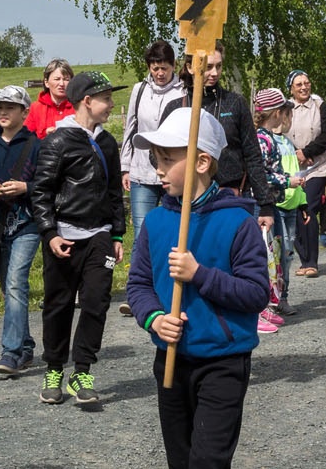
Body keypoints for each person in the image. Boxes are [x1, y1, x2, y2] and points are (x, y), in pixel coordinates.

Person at [124, 107, 270, 469]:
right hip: (171, 362)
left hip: (224, 363)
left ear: (203, 161)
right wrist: (154, 319)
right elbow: (137, 285)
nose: (157, 168)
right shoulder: (159, 221)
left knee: (208, 465)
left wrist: (199, 274)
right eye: (155, 158)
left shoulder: (239, 222)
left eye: (168, 158)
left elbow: (257, 294)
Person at [30, 70, 127, 407]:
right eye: (107, 98)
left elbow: (115, 191)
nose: (112, 105)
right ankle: (54, 368)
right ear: (87, 101)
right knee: (58, 305)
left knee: (97, 302)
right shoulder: (56, 141)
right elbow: (40, 192)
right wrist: (50, 234)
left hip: (99, 236)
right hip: (63, 239)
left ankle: (82, 371)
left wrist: (117, 233)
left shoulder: (107, 143)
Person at [0, 85, 42, 378]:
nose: (2, 112)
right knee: (7, 287)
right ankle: (25, 346)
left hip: (27, 224)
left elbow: (48, 186)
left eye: (9, 107)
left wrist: (26, 187)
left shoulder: (37, 145)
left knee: (15, 283)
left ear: (24, 112)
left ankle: (10, 352)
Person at [162, 45, 279, 215]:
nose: (215, 73)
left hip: (231, 198)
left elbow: (252, 155)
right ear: (190, 67)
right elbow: (156, 155)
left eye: (219, 66)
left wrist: (266, 205)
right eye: (208, 67)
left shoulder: (235, 103)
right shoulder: (175, 108)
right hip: (186, 200)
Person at [121, 39, 185, 265]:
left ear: (173, 66)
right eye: (155, 68)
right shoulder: (139, 90)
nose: (160, 73)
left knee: (175, 230)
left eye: (164, 68)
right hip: (142, 172)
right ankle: (137, 289)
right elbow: (131, 127)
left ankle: (168, 285)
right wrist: (125, 168)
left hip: (173, 173)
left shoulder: (183, 91)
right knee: (141, 232)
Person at [252, 87, 305, 328]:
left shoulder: (268, 138)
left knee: (273, 253)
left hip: (273, 200)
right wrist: (287, 180)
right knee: (266, 254)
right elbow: (261, 175)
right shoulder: (262, 140)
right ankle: (262, 304)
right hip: (263, 204)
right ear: (275, 113)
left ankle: (271, 301)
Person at [284, 70, 326, 277]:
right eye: (299, 84)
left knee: (309, 208)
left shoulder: (319, 105)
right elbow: (280, 132)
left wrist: (308, 152)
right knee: (294, 210)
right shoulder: (285, 108)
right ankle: (303, 258)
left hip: (316, 167)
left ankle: (312, 261)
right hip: (293, 166)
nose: (304, 87)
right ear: (291, 88)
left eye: (307, 83)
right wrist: (297, 154)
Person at [26, 58, 75, 139]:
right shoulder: (35, 108)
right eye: (57, 79)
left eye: (66, 79)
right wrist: (44, 134)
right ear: (46, 82)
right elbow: (25, 137)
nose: (61, 84)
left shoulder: (78, 107)